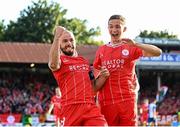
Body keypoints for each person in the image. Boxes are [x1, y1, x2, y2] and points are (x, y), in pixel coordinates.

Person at [93, 14, 162, 126]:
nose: (114, 29)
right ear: (108, 28)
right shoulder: (101, 50)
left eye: (117, 26)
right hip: (106, 101)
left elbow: (158, 52)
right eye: (111, 26)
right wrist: (101, 78)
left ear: (124, 29)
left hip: (126, 99)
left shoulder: (130, 46)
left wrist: (136, 44)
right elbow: (95, 82)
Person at [48, 26, 109, 126]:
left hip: (89, 107)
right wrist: (57, 37)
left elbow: (93, 88)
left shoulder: (84, 62)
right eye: (64, 41)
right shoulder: (60, 61)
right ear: (59, 44)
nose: (69, 43)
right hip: (70, 108)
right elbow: (53, 65)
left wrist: (103, 77)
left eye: (71, 40)